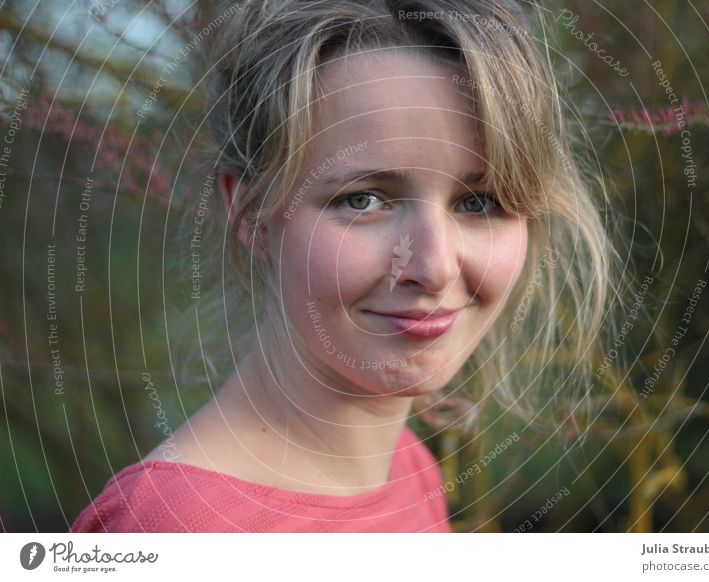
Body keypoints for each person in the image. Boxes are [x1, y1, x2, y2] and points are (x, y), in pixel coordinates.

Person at [71, 0, 620, 533]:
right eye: (364, 200)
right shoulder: (173, 529)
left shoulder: (408, 464)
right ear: (252, 211)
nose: (432, 268)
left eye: (480, 202)